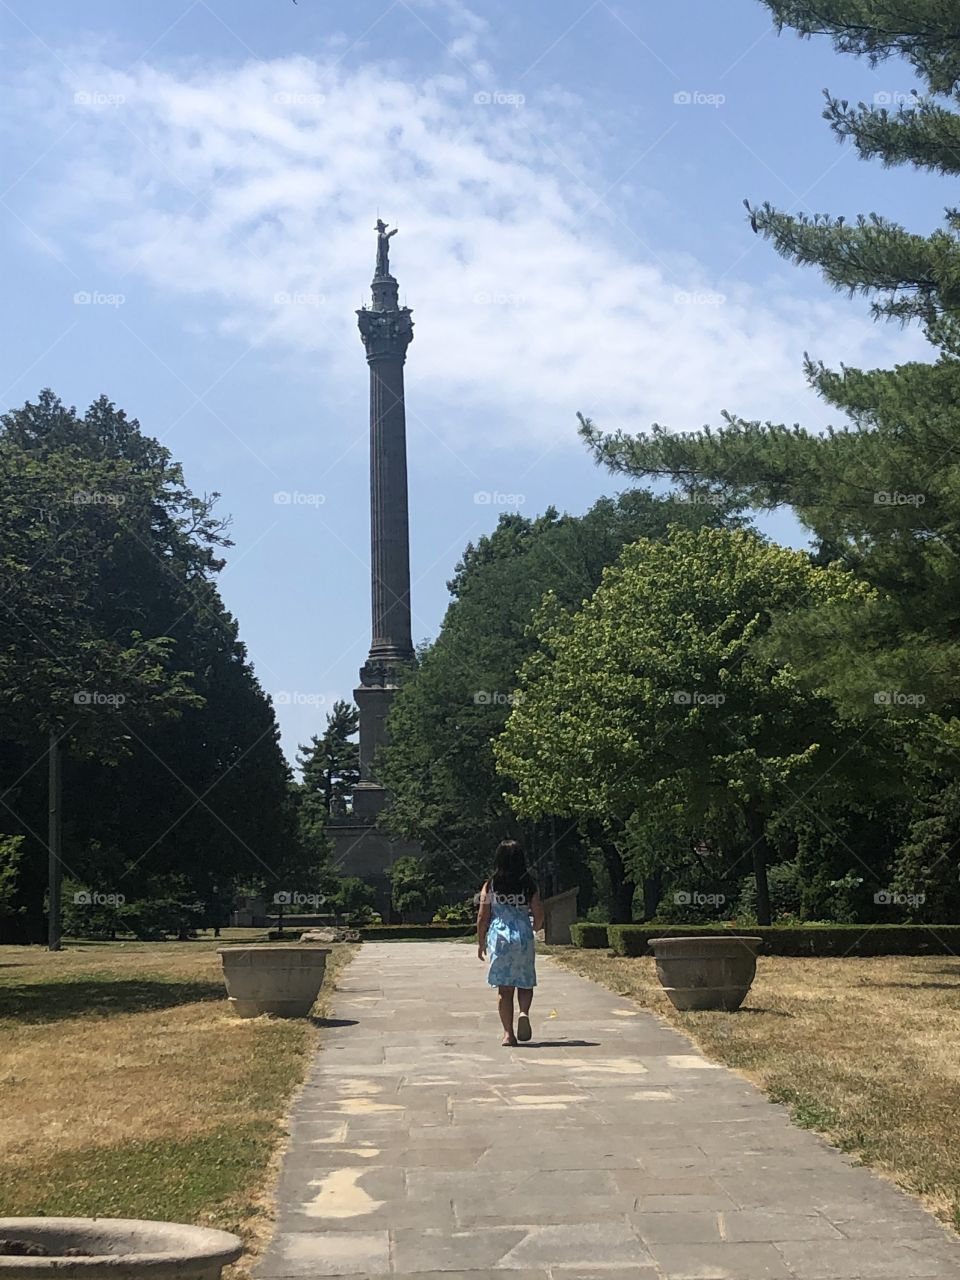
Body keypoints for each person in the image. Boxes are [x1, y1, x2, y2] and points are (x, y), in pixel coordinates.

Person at [476, 839, 544, 1046]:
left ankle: (508, 1033)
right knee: (525, 981)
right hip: (522, 934)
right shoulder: (529, 884)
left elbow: (482, 915)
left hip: (500, 937)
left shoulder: (491, 885)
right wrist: (535, 927)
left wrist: (481, 942)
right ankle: (524, 1012)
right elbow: (538, 911)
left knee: (504, 989)